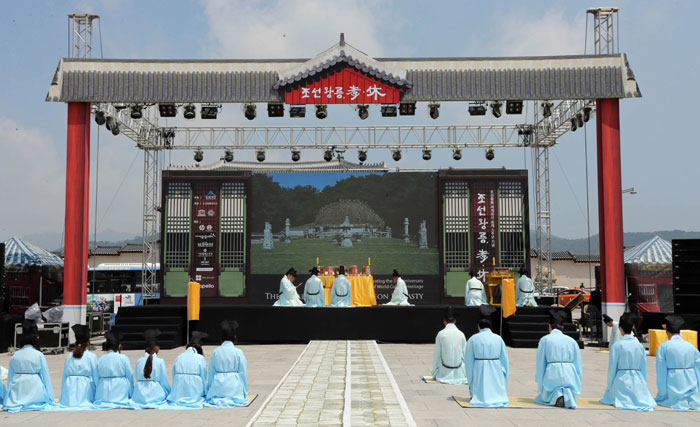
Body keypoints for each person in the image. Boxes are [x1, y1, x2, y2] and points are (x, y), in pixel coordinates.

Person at [600, 313, 656, 411]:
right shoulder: (639, 346)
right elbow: (643, 367)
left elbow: (612, 368)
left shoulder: (617, 346)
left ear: (620, 328)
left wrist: (610, 386)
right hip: (638, 380)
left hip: (621, 380)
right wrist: (643, 383)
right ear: (633, 327)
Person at [3, 320, 55, 412]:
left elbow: (10, 378)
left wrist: (10, 395)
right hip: (35, 393)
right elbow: (46, 377)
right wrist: (50, 397)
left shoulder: (15, 356)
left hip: (17, 393)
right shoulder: (39, 355)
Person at [534, 310, 582, 409]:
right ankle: (566, 396)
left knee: (545, 395)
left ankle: (557, 397)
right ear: (563, 328)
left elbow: (541, 362)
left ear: (549, 327)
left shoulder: (545, 339)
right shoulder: (571, 341)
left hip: (553, 372)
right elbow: (577, 362)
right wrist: (578, 378)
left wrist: (539, 379)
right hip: (569, 373)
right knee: (568, 386)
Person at [464, 305, 509, 407]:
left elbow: (469, 361)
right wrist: (504, 376)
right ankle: (498, 395)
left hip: (479, 368)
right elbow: (504, 359)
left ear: (478, 326)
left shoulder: (473, 339)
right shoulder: (498, 339)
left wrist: (470, 380)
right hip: (496, 368)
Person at [655, 315, 700, 410]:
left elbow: (661, 370)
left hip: (673, 383)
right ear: (680, 332)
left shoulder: (663, 347)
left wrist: (662, 391)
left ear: (667, 332)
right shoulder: (691, 346)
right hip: (691, 384)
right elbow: (698, 368)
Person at [205, 320, 248, 407]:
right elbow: (242, 372)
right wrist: (244, 390)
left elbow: (211, 372)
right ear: (235, 338)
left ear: (221, 339)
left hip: (218, 386)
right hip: (234, 387)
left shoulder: (215, 352)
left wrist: (210, 388)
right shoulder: (238, 352)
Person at [58, 324, 99, 409]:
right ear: (88, 343)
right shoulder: (91, 356)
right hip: (84, 389)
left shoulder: (69, 356)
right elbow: (96, 377)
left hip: (69, 389)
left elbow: (64, 375)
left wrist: (63, 394)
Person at [167, 331, 208, 409]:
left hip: (178, 390)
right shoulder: (200, 358)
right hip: (194, 389)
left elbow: (174, 375)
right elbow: (203, 377)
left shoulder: (179, 357)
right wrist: (205, 392)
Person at [93, 330, 133, 409]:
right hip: (120, 391)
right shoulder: (123, 358)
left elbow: (96, 378)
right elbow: (129, 376)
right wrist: (131, 393)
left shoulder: (101, 359)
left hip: (103, 392)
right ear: (119, 346)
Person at [131, 329, 171, 409]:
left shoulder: (139, 361)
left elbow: (136, 377)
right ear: (157, 348)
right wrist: (169, 393)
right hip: (155, 394)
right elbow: (164, 381)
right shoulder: (160, 361)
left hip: (139, 395)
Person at [432, 307, 468, 384]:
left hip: (444, 370)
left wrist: (434, 371)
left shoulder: (441, 334)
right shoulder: (461, 334)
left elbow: (437, 355)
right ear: (455, 321)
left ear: (444, 321)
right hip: (459, 371)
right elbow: (465, 354)